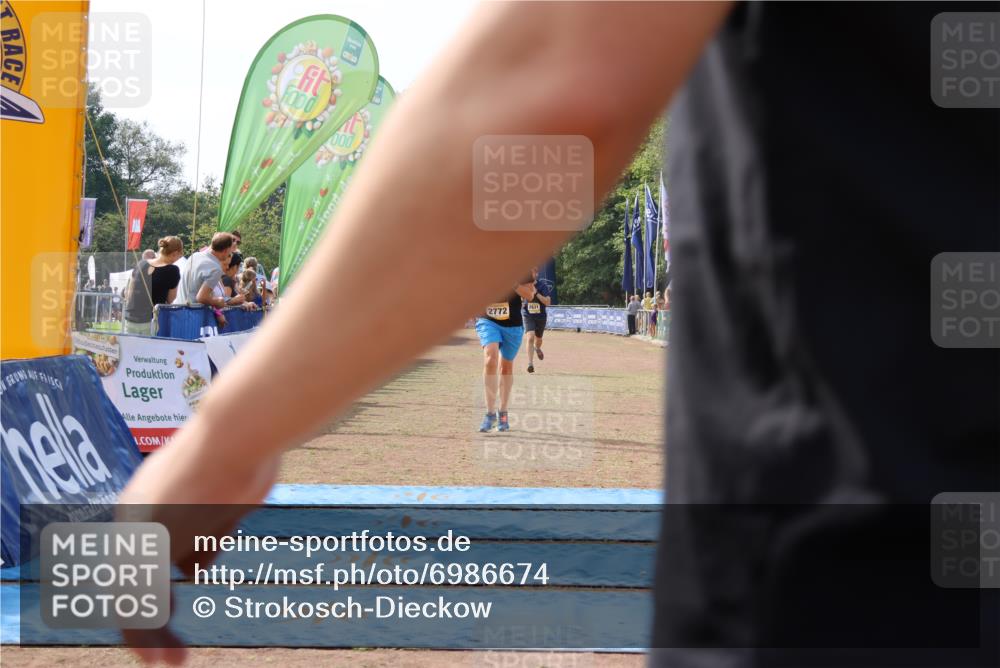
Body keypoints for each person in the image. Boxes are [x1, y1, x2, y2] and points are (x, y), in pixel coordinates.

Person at [119, 4, 997, 667]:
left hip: (871, 572)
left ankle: (500, 412)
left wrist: (229, 436)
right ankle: (497, 418)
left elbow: (561, 94)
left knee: (511, 366)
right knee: (500, 375)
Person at [475, 276, 537, 431]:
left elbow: (529, 295)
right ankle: (489, 414)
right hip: (488, 320)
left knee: (506, 369)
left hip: (513, 326)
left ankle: (503, 412)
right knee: (490, 359)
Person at [122, 236, 183, 335]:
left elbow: (127, 292)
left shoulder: (141, 264)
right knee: (149, 351)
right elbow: (171, 300)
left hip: (130, 318)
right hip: (150, 321)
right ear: (175, 253)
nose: (177, 260)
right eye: (179, 256)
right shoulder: (172, 270)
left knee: (129, 350)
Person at [176, 232, 236, 309]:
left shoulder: (195, 255)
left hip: (178, 310)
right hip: (193, 313)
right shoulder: (215, 268)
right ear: (225, 250)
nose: (230, 253)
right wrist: (217, 302)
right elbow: (201, 297)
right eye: (230, 250)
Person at [522, 266, 552, 373]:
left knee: (538, 339)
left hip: (541, 316)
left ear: (536, 274)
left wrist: (536, 293)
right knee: (530, 337)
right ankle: (530, 364)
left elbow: (548, 302)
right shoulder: (523, 285)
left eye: (532, 273)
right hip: (528, 314)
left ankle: (537, 348)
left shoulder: (542, 286)